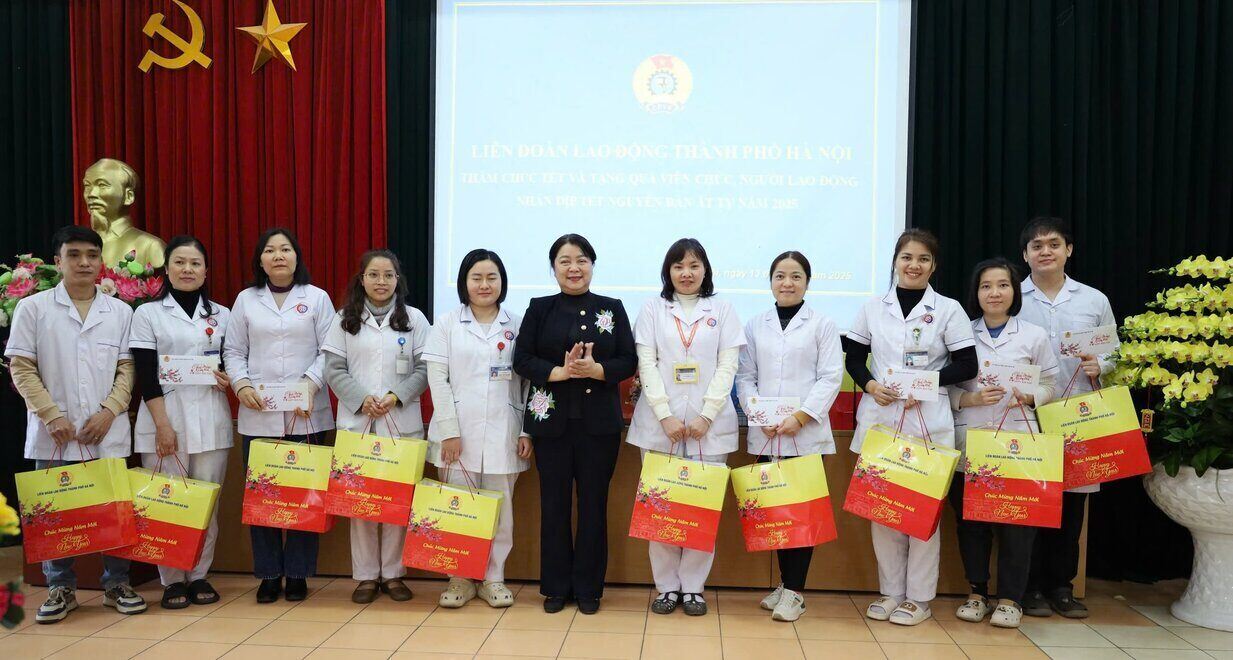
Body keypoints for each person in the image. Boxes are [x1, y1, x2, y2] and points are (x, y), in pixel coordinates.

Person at [5, 225, 147, 622]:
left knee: (114, 511)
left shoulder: (119, 312)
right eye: (74, 255)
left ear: (101, 262)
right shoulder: (32, 309)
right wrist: (51, 415)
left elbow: (127, 367)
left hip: (107, 429)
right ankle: (59, 588)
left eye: (91, 255)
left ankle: (117, 583)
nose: (84, 262)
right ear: (57, 261)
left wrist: (109, 411)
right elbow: (21, 366)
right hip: (54, 434)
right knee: (55, 514)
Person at [842, 228, 977, 626]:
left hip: (927, 422)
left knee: (921, 514)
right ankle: (891, 593)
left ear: (933, 265)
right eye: (907, 258)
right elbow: (853, 358)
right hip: (882, 418)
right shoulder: (872, 307)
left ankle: (918, 598)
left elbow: (967, 365)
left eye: (922, 259)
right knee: (883, 511)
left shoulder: (948, 309)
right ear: (895, 261)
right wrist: (869, 384)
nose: (913, 266)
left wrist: (928, 384)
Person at [512, 234, 637, 615]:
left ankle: (588, 588)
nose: (574, 268)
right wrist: (559, 372)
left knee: (594, 507)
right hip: (551, 425)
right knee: (553, 506)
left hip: (599, 427)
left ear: (592, 265)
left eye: (581, 260)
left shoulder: (612, 308)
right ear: (554, 268)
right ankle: (555, 586)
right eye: (565, 261)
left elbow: (629, 360)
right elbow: (522, 360)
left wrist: (598, 370)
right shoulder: (540, 308)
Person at [625, 238, 744, 617]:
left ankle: (693, 588)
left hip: (709, 427)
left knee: (700, 508)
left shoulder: (722, 310)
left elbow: (728, 367)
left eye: (694, 265)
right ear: (668, 272)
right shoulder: (652, 310)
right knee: (661, 510)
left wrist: (707, 414)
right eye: (678, 266)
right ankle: (666, 588)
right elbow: (647, 364)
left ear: (705, 270)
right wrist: (664, 415)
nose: (686, 273)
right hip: (660, 426)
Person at [225, 227, 336, 603]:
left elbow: (330, 351)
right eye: (270, 250)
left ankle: (300, 573)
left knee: (303, 494)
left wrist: (310, 382)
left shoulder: (317, 298)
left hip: (307, 411)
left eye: (285, 249)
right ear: (260, 260)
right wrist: (241, 385)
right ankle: (270, 572)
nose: (278, 256)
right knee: (265, 495)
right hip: (259, 412)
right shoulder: (246, 300)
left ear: (296, 256)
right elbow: (234, 351)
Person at [948, 258, 1059, 628]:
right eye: (985, 286)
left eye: (1002, 285)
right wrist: (968, 400)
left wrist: (1030, 397)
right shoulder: (960, 334)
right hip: (971, 441)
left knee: (1017, 524)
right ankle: (977, 592)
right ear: (975, 293)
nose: (994, 293)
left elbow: (1052, 386)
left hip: (1017, 443)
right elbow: (943, 388)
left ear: (1014, 290)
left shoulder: (1033, 336)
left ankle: (1011, 598)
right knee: (972, 524)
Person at [734, 250, 844, 622]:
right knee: (774, 511)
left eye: (796, 276)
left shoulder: (823, 325)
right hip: (767, 432)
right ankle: (784, 583)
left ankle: (796, 591)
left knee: (800, 513)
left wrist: (802, 415)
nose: (787, 283)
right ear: (770, 281)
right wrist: (756, 411)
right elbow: (745, 375)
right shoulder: (754, 324)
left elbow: (830, 376)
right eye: (780, 276)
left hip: (804, 433)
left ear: (807, 283)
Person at [1016, 217, 1115, 619]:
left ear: (1068, 250)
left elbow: (1116, 351)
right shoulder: (1012, 296)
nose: (1045, 251)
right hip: (1028, 415)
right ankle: (1029, 587)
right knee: (1030, 502)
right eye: (1036, 245)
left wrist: (1101, 365)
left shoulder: (1093, 300)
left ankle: (1062, 586)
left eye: (1053, 244)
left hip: (1079, 417)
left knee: (1071, 509)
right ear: (1025, 255)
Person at [425, 249, 532, 609]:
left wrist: (527, 431)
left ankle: (493, 578)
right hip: (458, 434)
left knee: (501, 511)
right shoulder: (446, 324)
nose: (484, 285)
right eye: (477, 278)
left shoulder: (518, 324)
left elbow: (529, 385)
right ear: (464, 283)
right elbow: (438, 380)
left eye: (492, 277)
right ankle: (458, 577)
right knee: (457, 505)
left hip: (505, 431)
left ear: (502, 282)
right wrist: (449, 430)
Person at [130, 236, 233, 609]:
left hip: (210, 416)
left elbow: (231, 363)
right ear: (167, 269)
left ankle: (199, 574)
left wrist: (229, 378)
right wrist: (162, 425)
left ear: (206, 271)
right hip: (164, 418)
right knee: (166, 503)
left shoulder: (223, 314)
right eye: (179, 262)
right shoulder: (147, 314)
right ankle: (172, 579)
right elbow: (145, 372)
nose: (187, 270)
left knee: (207, 501)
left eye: (195, 263)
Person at [322, 249, 429, 604]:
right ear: (362, 279)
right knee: (362, 504)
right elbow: (334, 370)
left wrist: (397, 396)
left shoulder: (414, 319)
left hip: (400, 422)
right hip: (359, 421)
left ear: (398, 280)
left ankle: (394, 575)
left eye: (388, 275)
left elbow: (425, 369)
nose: (381, 282)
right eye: (374, 275)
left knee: (399, 503)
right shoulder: (344, 319)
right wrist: (361, 399)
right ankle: (367, 576)